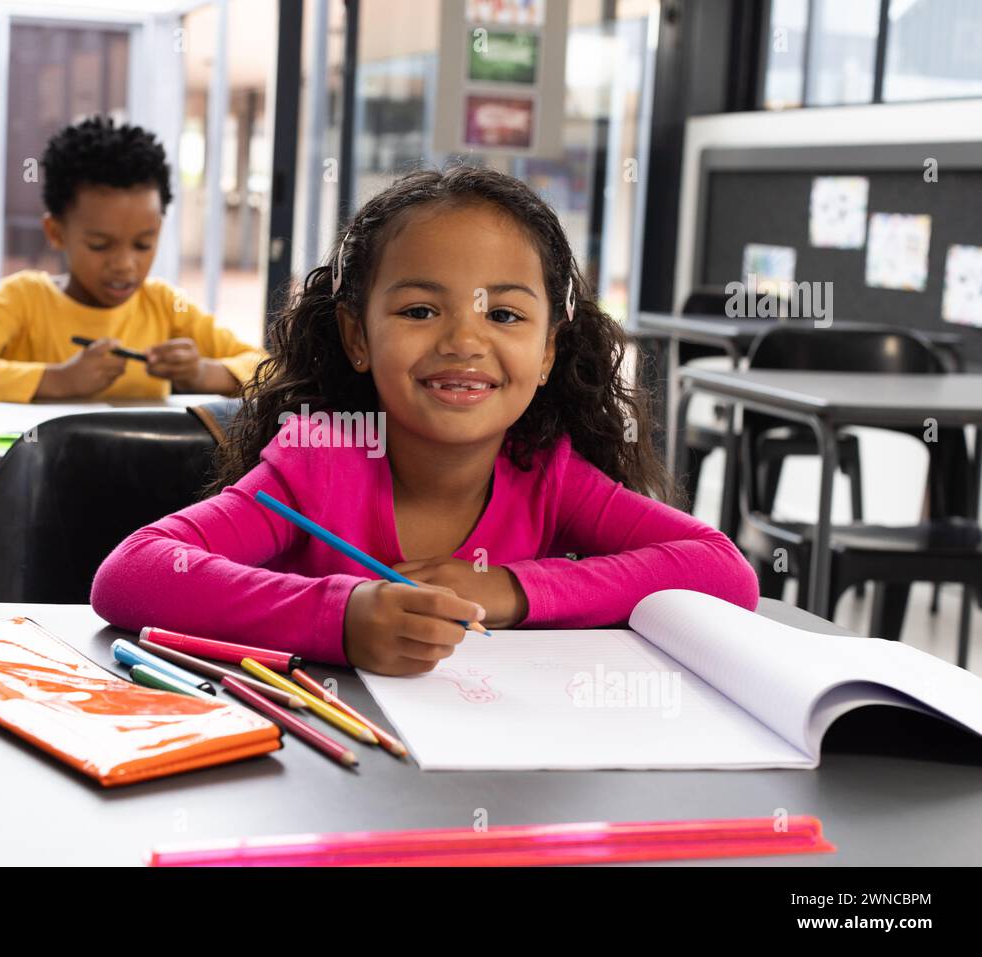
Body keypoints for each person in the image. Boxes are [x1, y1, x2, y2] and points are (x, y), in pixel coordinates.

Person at [91, 164, 759, 675]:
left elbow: (725, 571)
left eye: (504, 314)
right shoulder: (318, 461)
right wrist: (340, 618)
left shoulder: (549, 473)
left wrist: (505, 586)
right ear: (357, 336)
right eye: (418, 311)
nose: (464, 342)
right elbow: (133, 571)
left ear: (550, 347)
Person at [0, 117, 265, 401]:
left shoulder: (163, 305)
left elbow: (271, 367)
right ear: (56, 232)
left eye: (143, 244)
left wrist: (205, 373)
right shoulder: (24, 300)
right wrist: (59, 381)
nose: (125, 264)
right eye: (100, 245)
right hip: (39, 485)